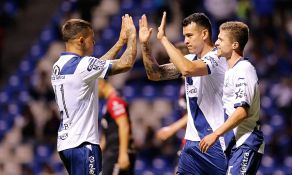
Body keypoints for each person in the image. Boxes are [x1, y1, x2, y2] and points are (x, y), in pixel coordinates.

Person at [139, 12, 228, 174]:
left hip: (217, 143)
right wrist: (145, 45)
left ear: (205, 34)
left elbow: (188, 69)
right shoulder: (191, 58)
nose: (185, 41)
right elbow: (155, 74)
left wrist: (163, 39)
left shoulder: (218, 57)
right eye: (184, 36)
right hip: (192, 143)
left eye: (189, 35)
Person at [50, 15, 137, 175]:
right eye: (92, 39)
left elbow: (95, 69)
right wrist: (132, 36)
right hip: (83, 143)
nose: (94, 43)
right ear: (81, 40)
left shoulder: (58, 66)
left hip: (66, 144)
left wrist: (119, 43)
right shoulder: (83, 65)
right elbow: (126, 63)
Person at [199, 21, 265, 174]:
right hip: (234, 144)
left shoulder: (244, 70)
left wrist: (215, 134)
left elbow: (242, 111)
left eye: (221, 39)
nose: (216, 42)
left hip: (246, 142)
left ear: (234, 45)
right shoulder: (230, 71)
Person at [98, 79, 136, 175]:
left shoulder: (115, 101)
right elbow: (106, 135)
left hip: (117, 153)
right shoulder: (108, 103)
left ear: (100, 83)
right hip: (112, 153)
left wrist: (123, 154)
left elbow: (124, 125)